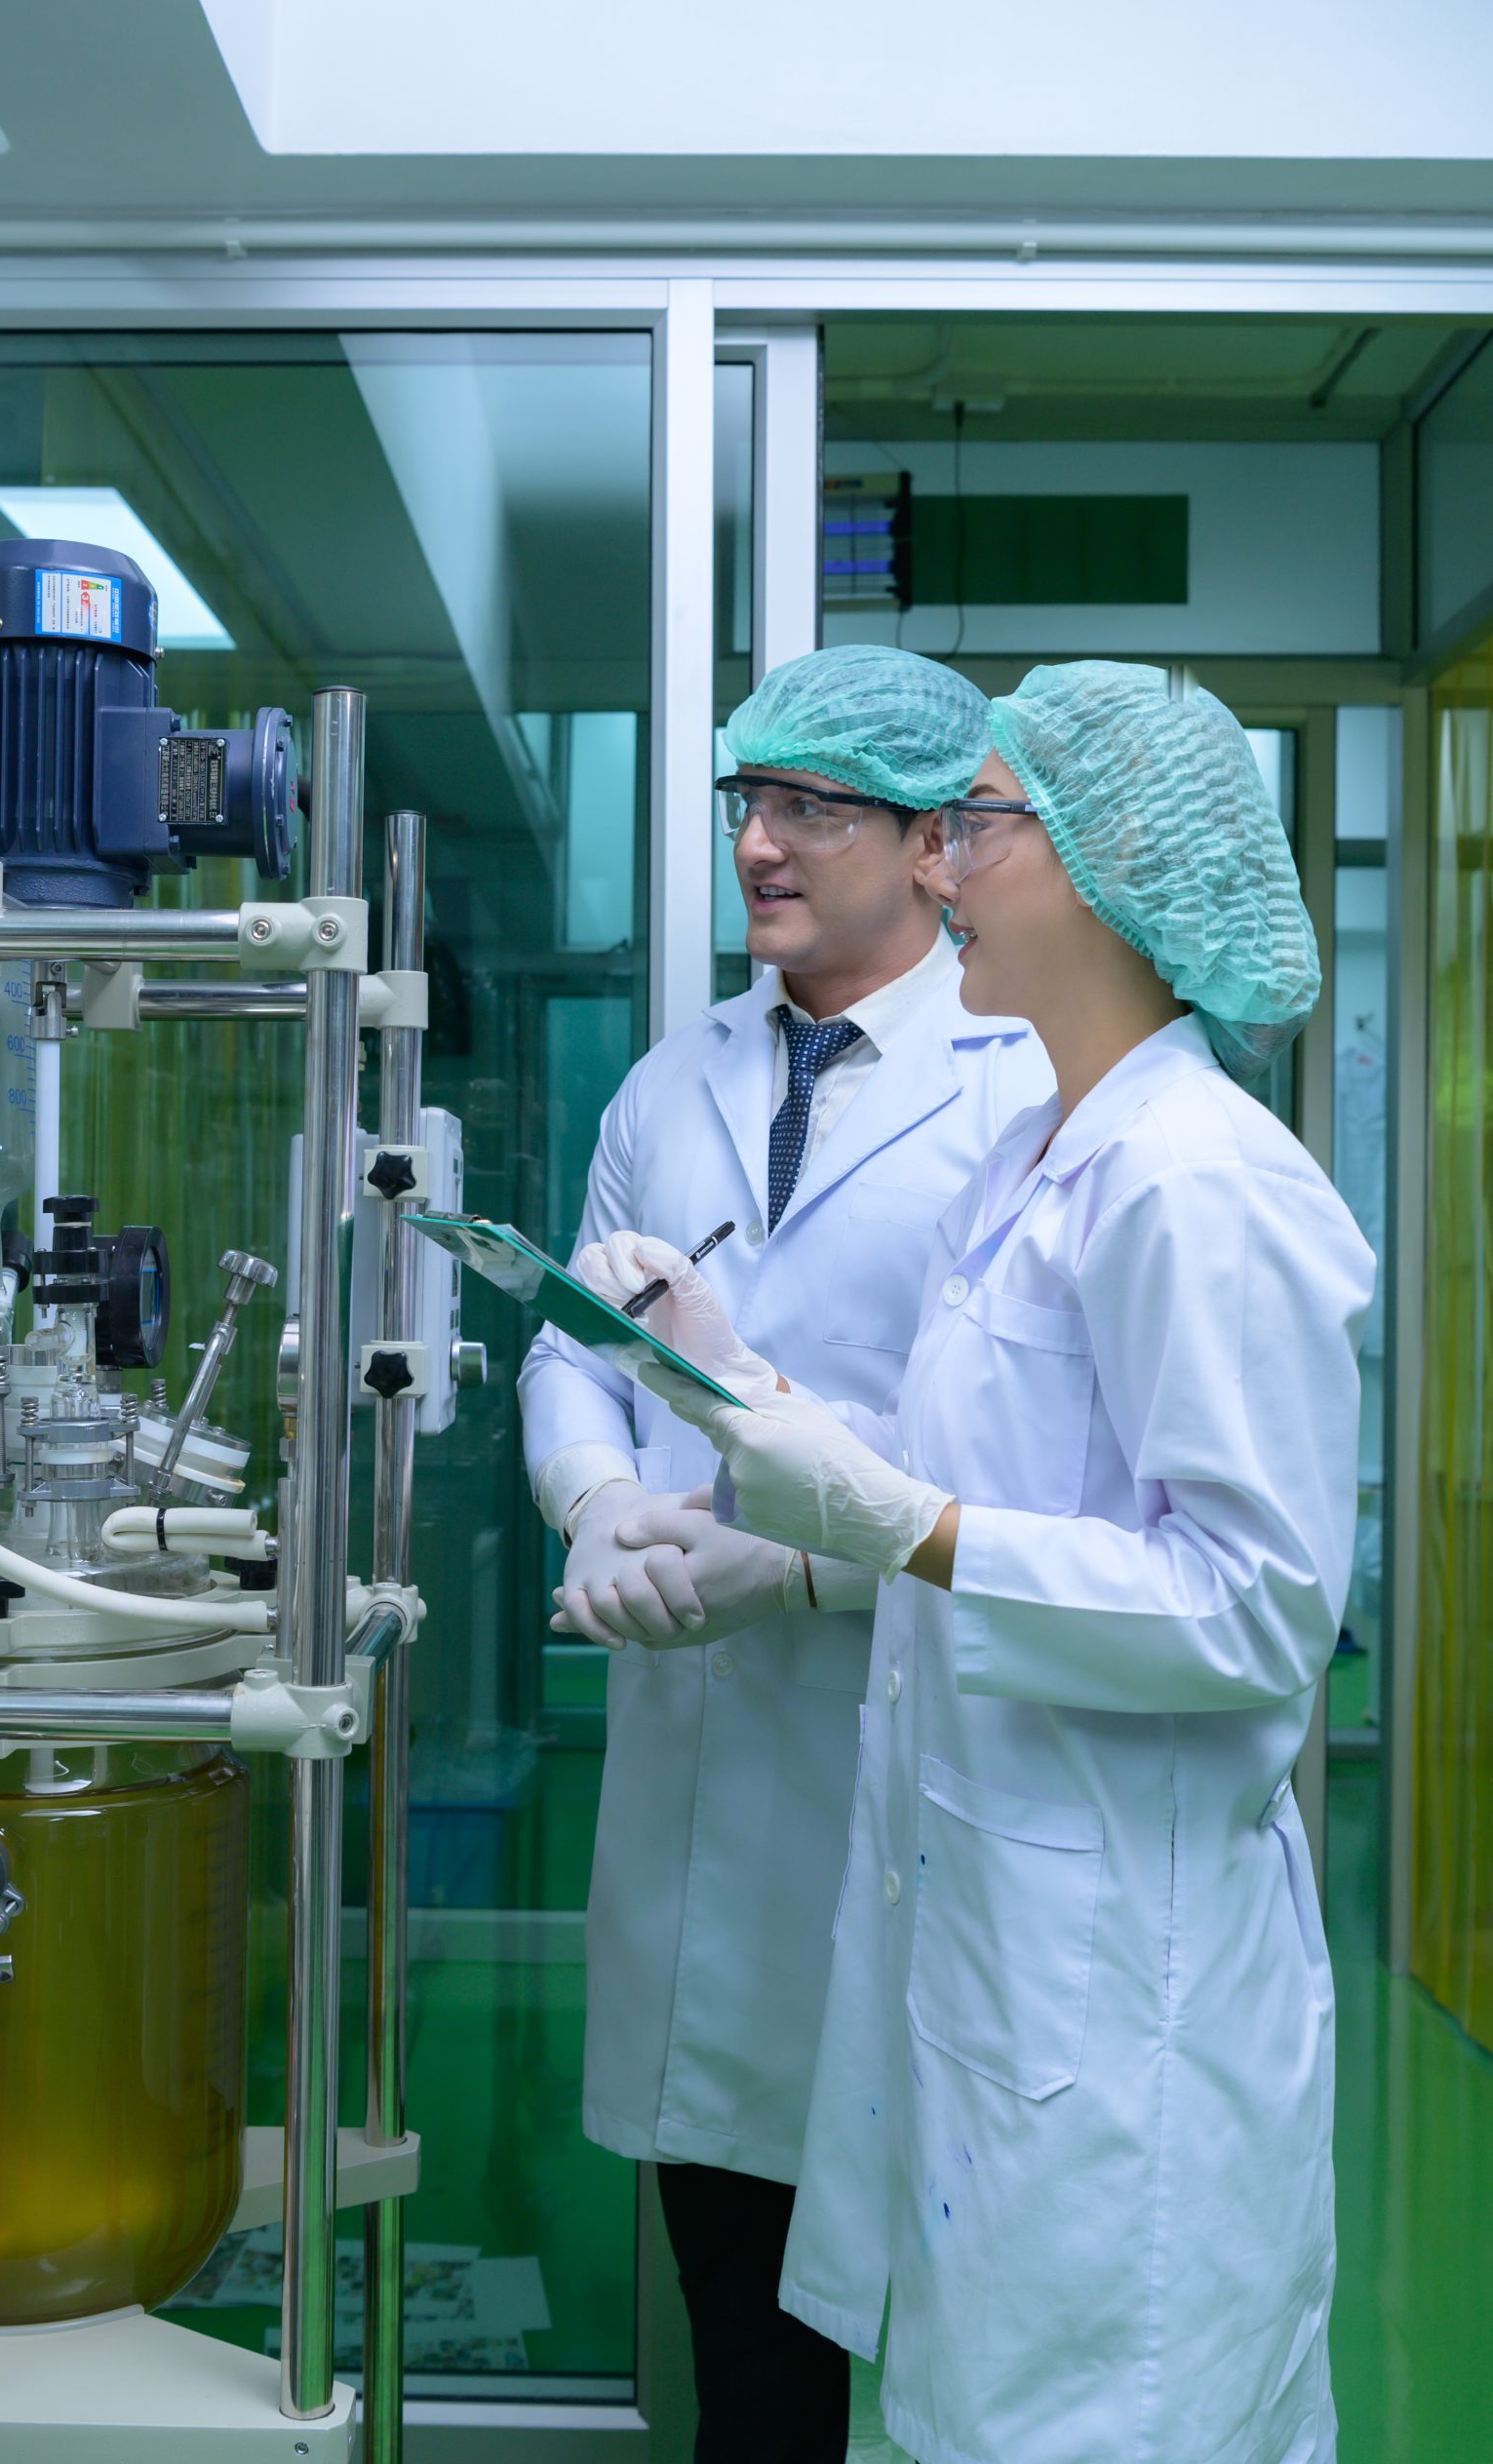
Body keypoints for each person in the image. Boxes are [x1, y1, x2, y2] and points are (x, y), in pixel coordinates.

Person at [588, 662, 1374, 2464]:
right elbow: (979, 1464)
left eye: (980, 826)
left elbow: (1260, 1609)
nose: (944, 865)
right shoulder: (1043, 1158)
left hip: (1122, 1976)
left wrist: (907, 1531)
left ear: (1101, 873)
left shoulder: (1198, 1182)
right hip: (988, 1941)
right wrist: (739, 1380)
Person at [518, 645, 1051, 2464]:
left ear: (934, 848)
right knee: (743, 2337)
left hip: (916, 1756)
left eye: (814, 808)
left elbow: (1028, 1451)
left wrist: (810, 1567)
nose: (762, 845)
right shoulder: (674, 1081)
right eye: (750, 802)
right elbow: (571, 1340)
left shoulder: (1024, 1089)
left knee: (967, 2338)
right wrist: (594, 1501)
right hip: (696, 1771)